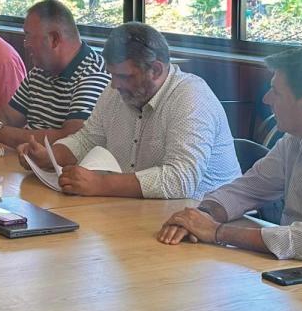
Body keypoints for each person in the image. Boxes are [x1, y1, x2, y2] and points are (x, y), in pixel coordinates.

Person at [159, 47, 302, 262]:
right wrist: (201, 217)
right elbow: (246, 190)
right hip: (298, 272)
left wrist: (217, 232)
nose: (266, 99)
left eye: (276, 91)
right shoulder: (295, 140)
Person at [20, 22, 240, 199]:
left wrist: (101, 184)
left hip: (206, 221)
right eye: (112, 74)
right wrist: (51, 157)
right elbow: (88, 139)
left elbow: (180, 179)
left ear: (155, 70)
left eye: (125, 76)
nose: (114, 85)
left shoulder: (191, 98)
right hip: (145, 214)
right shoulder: (115, 90)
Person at [0, 0, 109, 147]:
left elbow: (72, 140)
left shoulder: (93, 74)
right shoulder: (40, 71)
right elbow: (7, 117)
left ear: (54, 39)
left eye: (28, 36)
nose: (25, 44)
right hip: (28, 164)